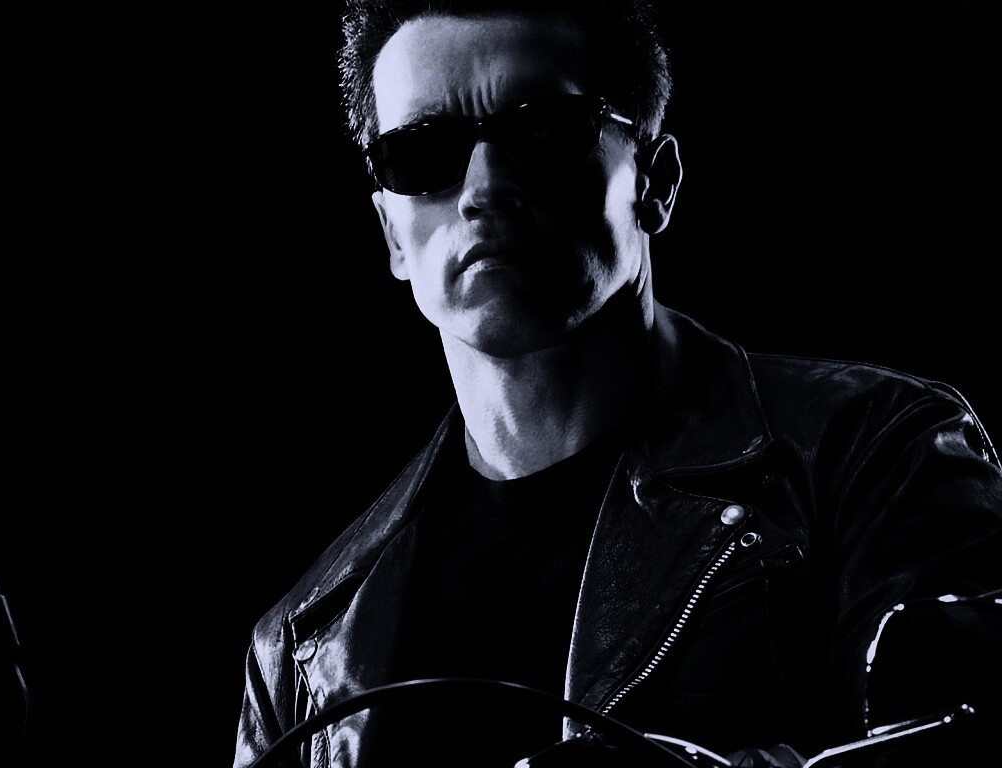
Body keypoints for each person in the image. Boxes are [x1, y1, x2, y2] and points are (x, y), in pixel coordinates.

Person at [233, 1, 1001, 766]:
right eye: (422, 152)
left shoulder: (874, 456)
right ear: (391, 234)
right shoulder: (304, 646)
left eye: (541, 130)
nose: (483, 188)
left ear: (654, 180)